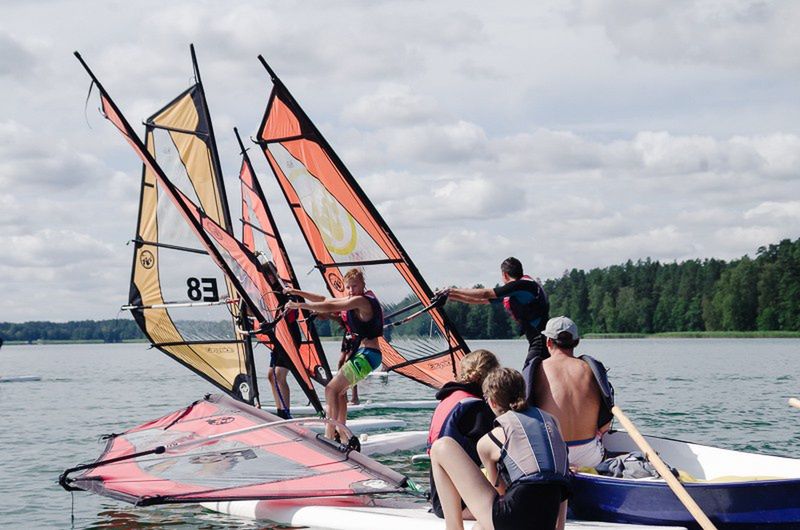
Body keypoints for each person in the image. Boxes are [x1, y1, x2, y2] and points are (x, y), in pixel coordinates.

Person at [429, 367, 570, 530]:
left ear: (492, 402)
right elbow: (562, 479)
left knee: (441, 447)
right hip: (547, 518)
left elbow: (500, 491)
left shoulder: (489, 440)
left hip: (512, 517)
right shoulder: (552, 422)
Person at [285, 268, 383, 440]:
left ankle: (329, 436)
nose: (351, 290)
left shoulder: (361, 301)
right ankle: (343, 435)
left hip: (369, 354)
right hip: (365, 354)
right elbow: (324, 299)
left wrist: (300, 305)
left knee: (331, 389)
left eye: (355, 286)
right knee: (339, 392)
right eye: (348, 287)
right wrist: (296, 292)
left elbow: (330, 306)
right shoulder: (353, 298)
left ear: (362, 285)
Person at [524, 316, 614, 468]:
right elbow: (605, 425)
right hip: (589, 456)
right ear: (576, 342)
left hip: (552, 455)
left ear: (548, 342)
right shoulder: (590, 369)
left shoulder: (539, 369)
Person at [427, 349, 500, 519]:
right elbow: (497, 456)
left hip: (440, 497)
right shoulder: (477, 410)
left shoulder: (449, 398)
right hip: (458, 505)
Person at [446, 257, 550, 364]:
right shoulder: (517, 291)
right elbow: (479, 300)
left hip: (541, 341)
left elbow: (485, 293)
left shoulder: (523, 285)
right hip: (538, 340)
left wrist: (452, 290)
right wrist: (450, 295)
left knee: (529, 374)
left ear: (504, 275)